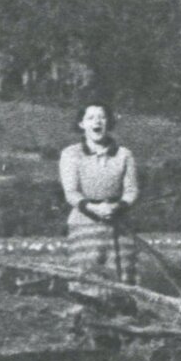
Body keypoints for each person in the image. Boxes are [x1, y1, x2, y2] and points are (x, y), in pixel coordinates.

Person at [60, 100, 141, 283]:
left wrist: (117, 207)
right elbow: (71, 192)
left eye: (102, 117)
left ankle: (122, 311)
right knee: (86, 278)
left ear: (109, 122)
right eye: (90, 118)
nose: (97, 122)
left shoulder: (124, 154)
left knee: (122, 278)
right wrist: (94, 209)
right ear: (82, 124)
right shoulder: (71, 154)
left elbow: (132, 190)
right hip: (84, 224)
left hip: (119, 224)